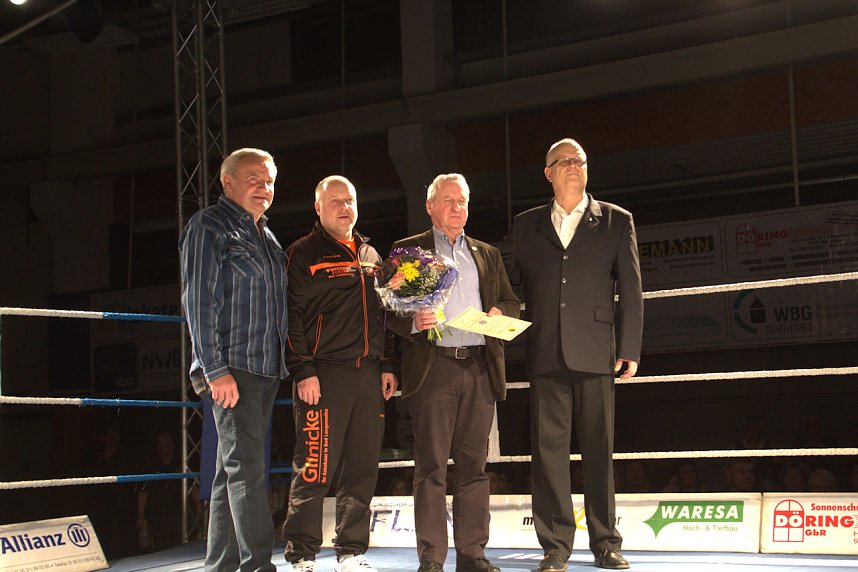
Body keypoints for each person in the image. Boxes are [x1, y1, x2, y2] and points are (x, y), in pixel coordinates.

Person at [503, 138, 643, 572]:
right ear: (548, 173)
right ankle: (555, 547)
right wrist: (493, 315)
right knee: (548, 455)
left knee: (599, 450)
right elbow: (508, 289)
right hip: (545, 350)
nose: (573, 166)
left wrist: (631, 346)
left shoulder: (617, 221)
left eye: (579, 160)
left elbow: (632, 290)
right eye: (563, 161)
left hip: (598, 350)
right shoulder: (526, 225)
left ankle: (606, 542)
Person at [387, 173, 520, 572]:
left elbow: (511, 302)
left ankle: (473, 554)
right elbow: (388, 310)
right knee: (430, 466)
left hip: (479, 366)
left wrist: (501, 312)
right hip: (435, 368)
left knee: (474, 469)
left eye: (462, 201)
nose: (457, 208)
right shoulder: (410, 249)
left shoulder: (486, 253)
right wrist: (413, 321)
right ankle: (431, 557)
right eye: (448, 201)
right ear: (430, 206)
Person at [281, 175, 399, 572]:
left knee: (362, 466)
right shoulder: (302, 252)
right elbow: (291, 318)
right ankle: (302, 554)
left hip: (368, 375)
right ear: (318, 208)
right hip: (324, 374)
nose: (344, 206)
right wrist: (302, 370)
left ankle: (351, 551)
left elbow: (384, 315)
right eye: (335, 201)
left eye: (349, 199)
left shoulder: (370, 252)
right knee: (314, 466)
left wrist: (387, 364)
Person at [180, 148, 289, 571]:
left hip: (264, 367)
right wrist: (214, 369)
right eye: (254, 179)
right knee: (246, 470)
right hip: (232, 367)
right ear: (228, 182)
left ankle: (219, 566)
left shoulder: (268, 236)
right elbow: (198, 303)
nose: (264, 188)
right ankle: (259, 565)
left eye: (269, 181)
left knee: (231, 472)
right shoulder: (209, 226)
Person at [135, 431, 202, 552]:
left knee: (181, 545)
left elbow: (192, 487)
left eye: (164, 444)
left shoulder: (182, 462)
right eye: (159, 444)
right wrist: (141, 515)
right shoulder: (151, 465)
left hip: (180, 512)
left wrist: (198, 507)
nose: (161, 447)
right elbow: (143, 492)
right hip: (157, 514)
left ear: (172, 445)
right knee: (159, 547)